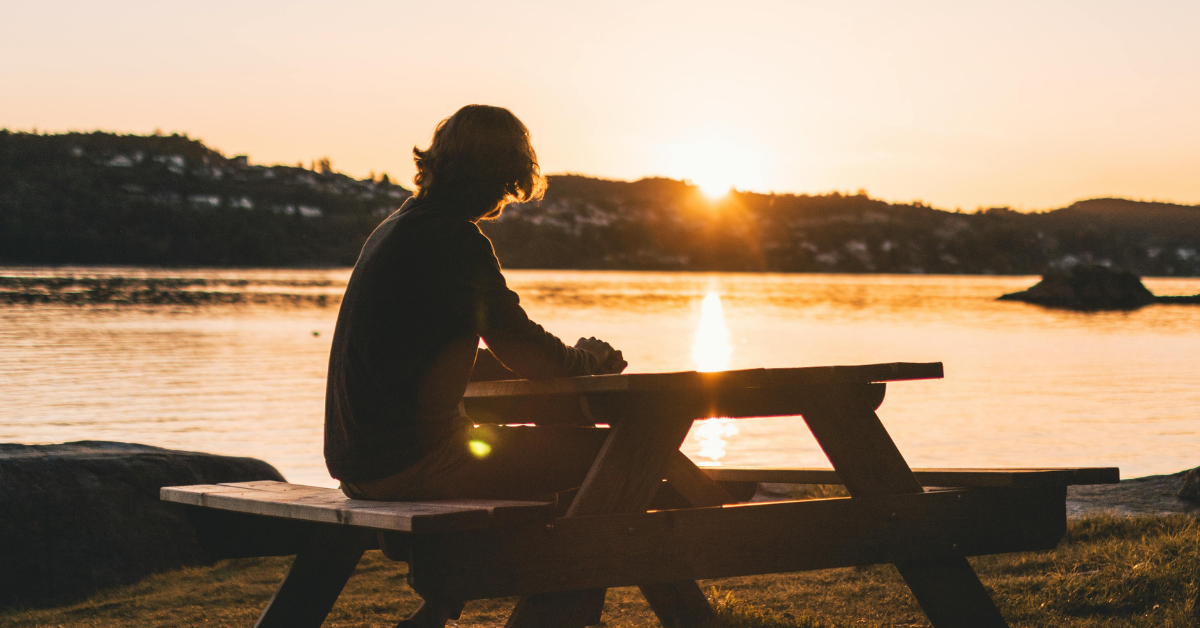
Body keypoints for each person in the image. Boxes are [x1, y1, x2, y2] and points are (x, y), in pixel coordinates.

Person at [324, 105, 627, 505]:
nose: (505, 198)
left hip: (361, 469)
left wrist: (565, 359)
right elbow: (526, 351)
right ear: (498, 174)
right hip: (419, 464)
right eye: (507, 182)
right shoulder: (454, 239)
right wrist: (585, 360)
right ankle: (594, 562)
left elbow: (436, 360)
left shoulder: (395, 229)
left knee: (561, 453)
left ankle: (539, 559)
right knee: (618, 452)